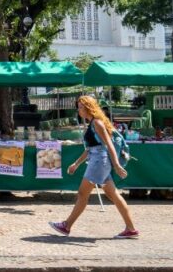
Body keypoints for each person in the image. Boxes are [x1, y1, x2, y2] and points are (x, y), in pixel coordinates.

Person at [48, 95, 138, 239]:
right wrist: (76, 164)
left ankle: (66, 225)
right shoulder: (94, 123)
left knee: (83, 194)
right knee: (113, 194)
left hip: (99, 162)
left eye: (81, 107)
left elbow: (109, 145)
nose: (78, 110)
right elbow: (91, 148)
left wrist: (116, 165)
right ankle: (131, 229)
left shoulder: (97, 123)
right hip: (99, 161)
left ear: (88, 107)